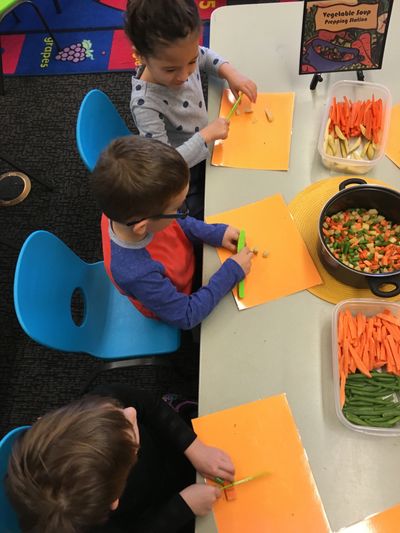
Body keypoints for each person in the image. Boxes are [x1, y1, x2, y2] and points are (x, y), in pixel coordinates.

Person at [6, 383, 235, 532]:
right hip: (155, 505)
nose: (130, 412)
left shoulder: (97, 409)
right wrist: (183, 507)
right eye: (131, 436)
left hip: (168, 455)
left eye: (118, 410)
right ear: (113, 501)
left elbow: (145, 404)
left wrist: (194, 447)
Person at [91, 135, 253, 331]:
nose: (181, 212)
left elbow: (178, 223)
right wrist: (230, 273)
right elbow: (187, 315)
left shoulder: (122, 209)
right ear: (143, 226)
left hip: (181, 263)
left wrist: (214, 233)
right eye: (178, 207)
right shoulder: (137, 274)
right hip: (178, 297)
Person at [124, 0, 257, 219]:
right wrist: (206, 136)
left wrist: (230, 72)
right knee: (207, 218)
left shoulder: (182, 56)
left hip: (208, 144)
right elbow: (164, 165)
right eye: (170, 69)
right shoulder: (145, 104)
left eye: (191, 61)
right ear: (141, 56)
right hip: (185, 171)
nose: (185, 75)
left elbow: (204, 55)